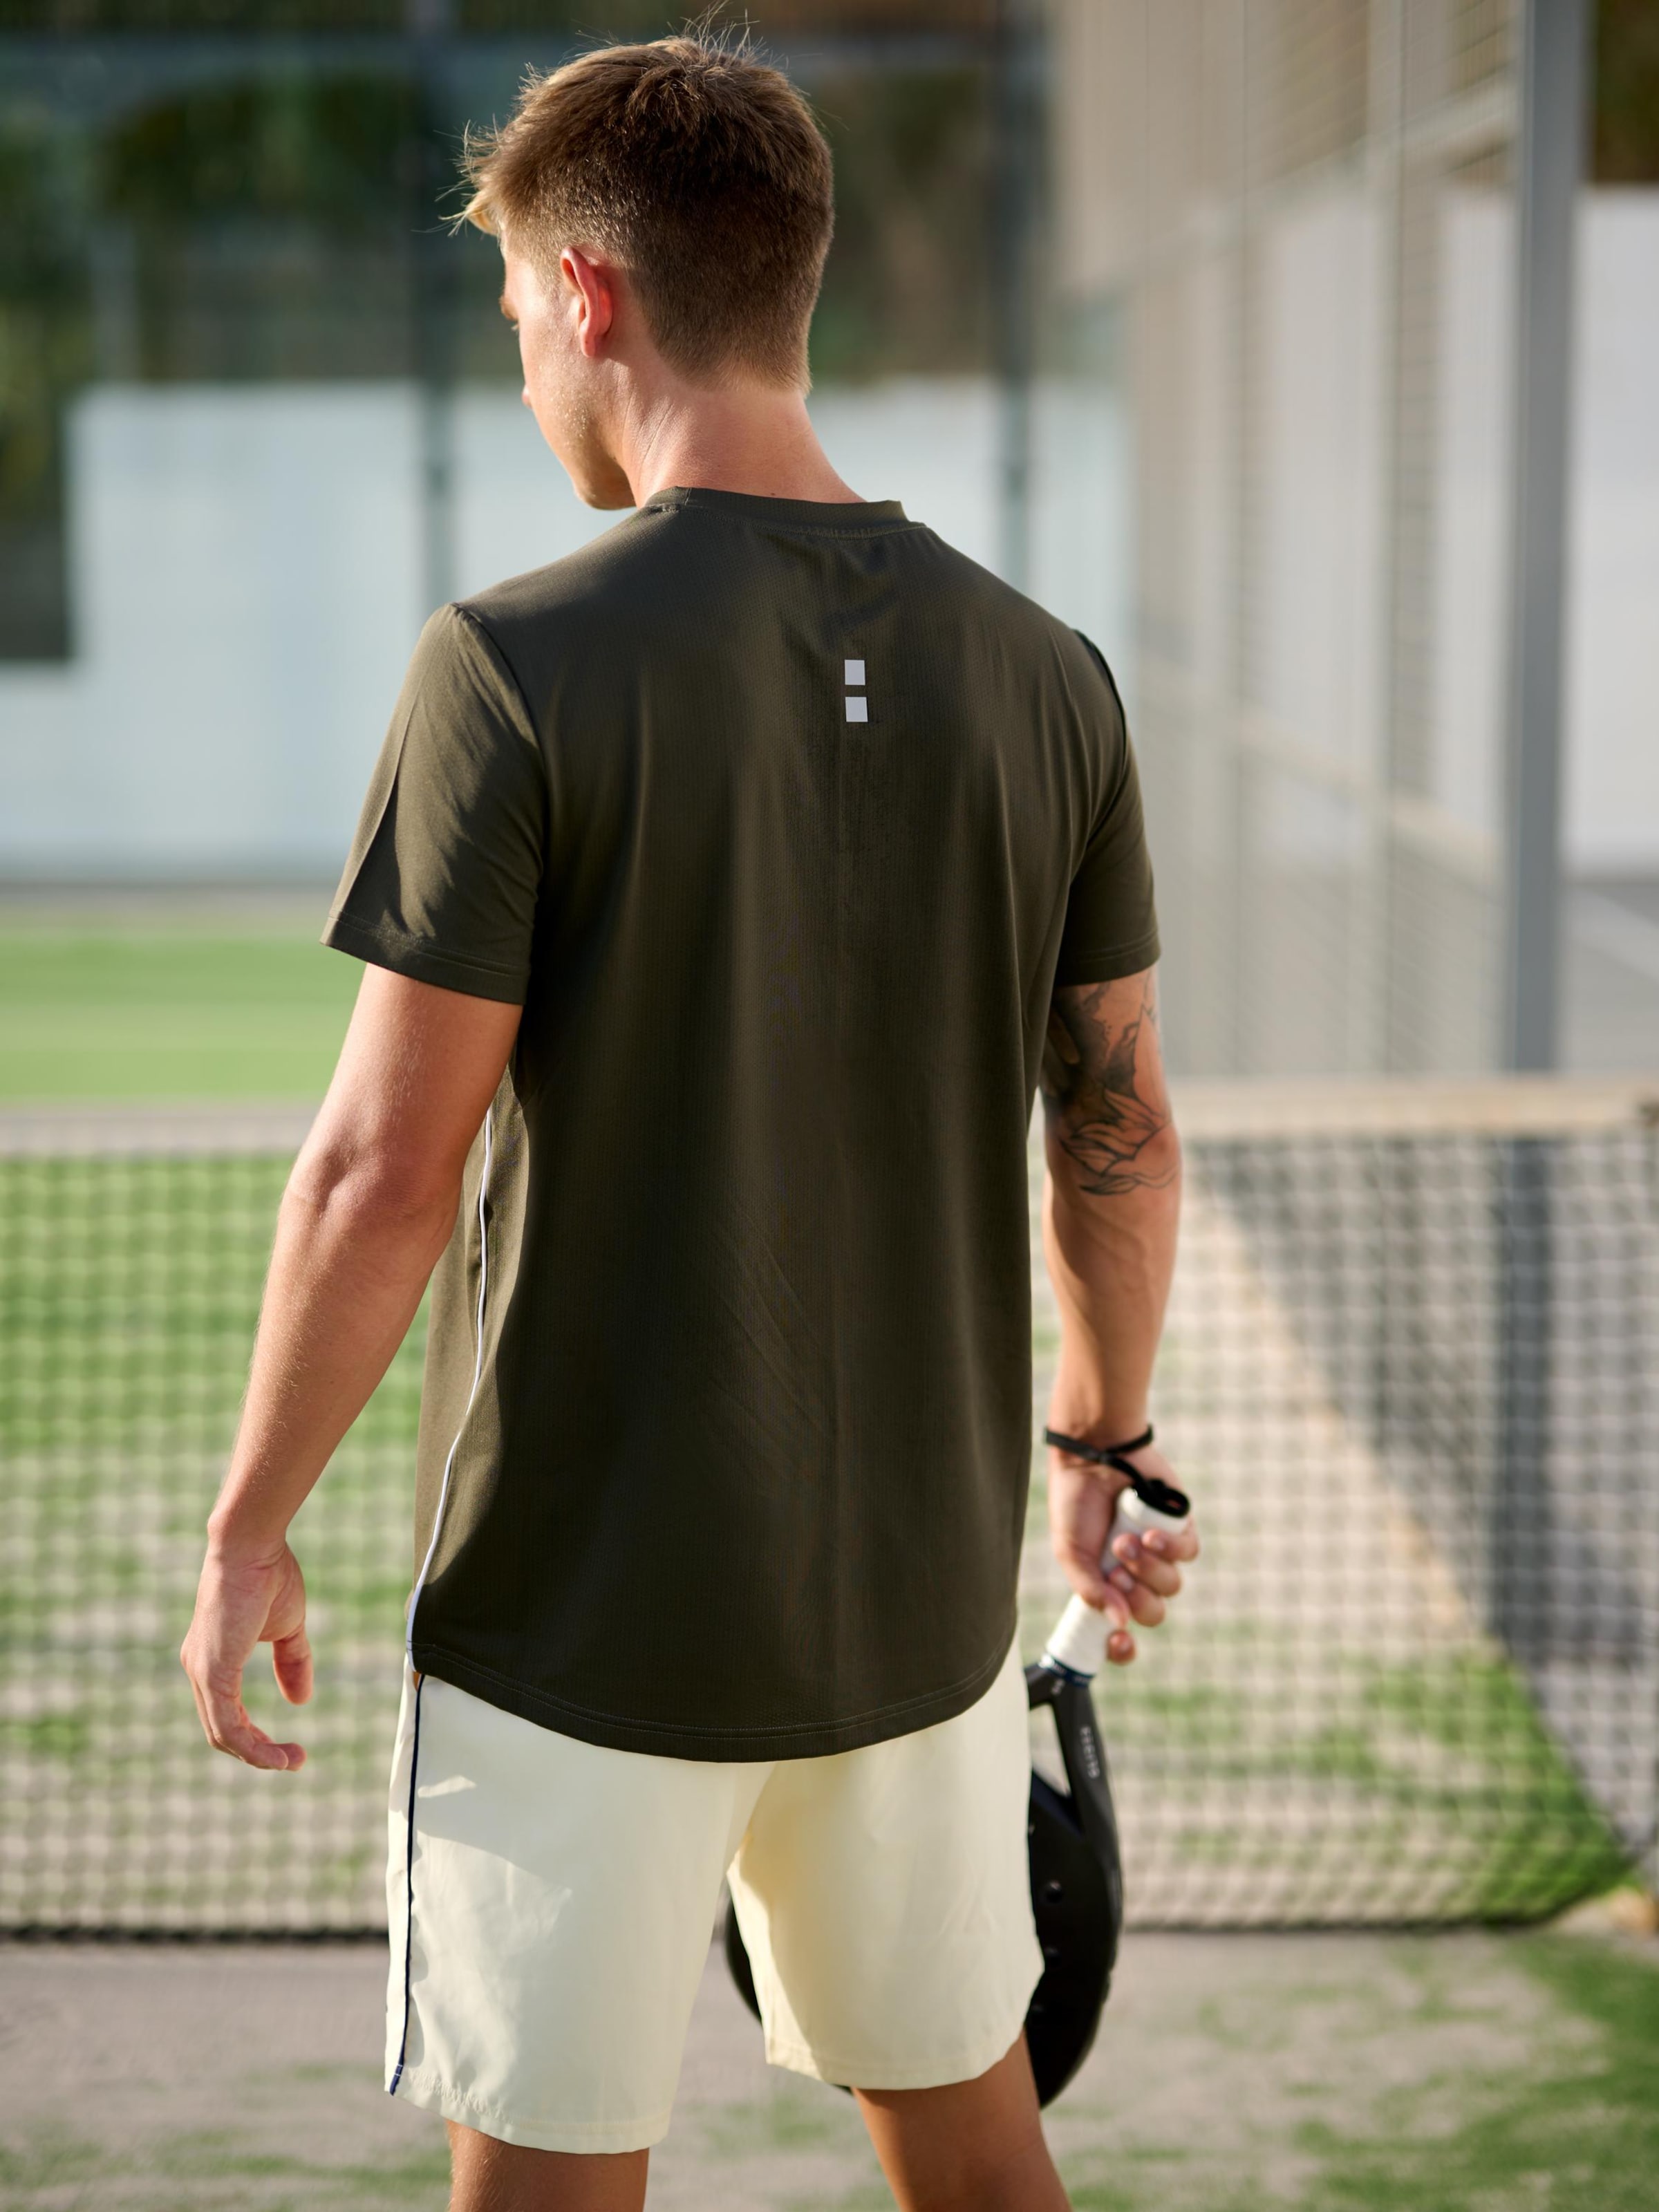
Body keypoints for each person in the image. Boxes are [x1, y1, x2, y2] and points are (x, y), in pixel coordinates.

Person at [180, 31, 1197, 2212]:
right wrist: (1104, 1450)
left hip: (582, 1621)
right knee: (977, 2151)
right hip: (919, 1615)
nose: (522, 362)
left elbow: (379, 1170)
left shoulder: (509, 667)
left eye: (514, 310)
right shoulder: (1051, 674)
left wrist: (250, 1519)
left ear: (590, 293)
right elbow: (1117, 1132)